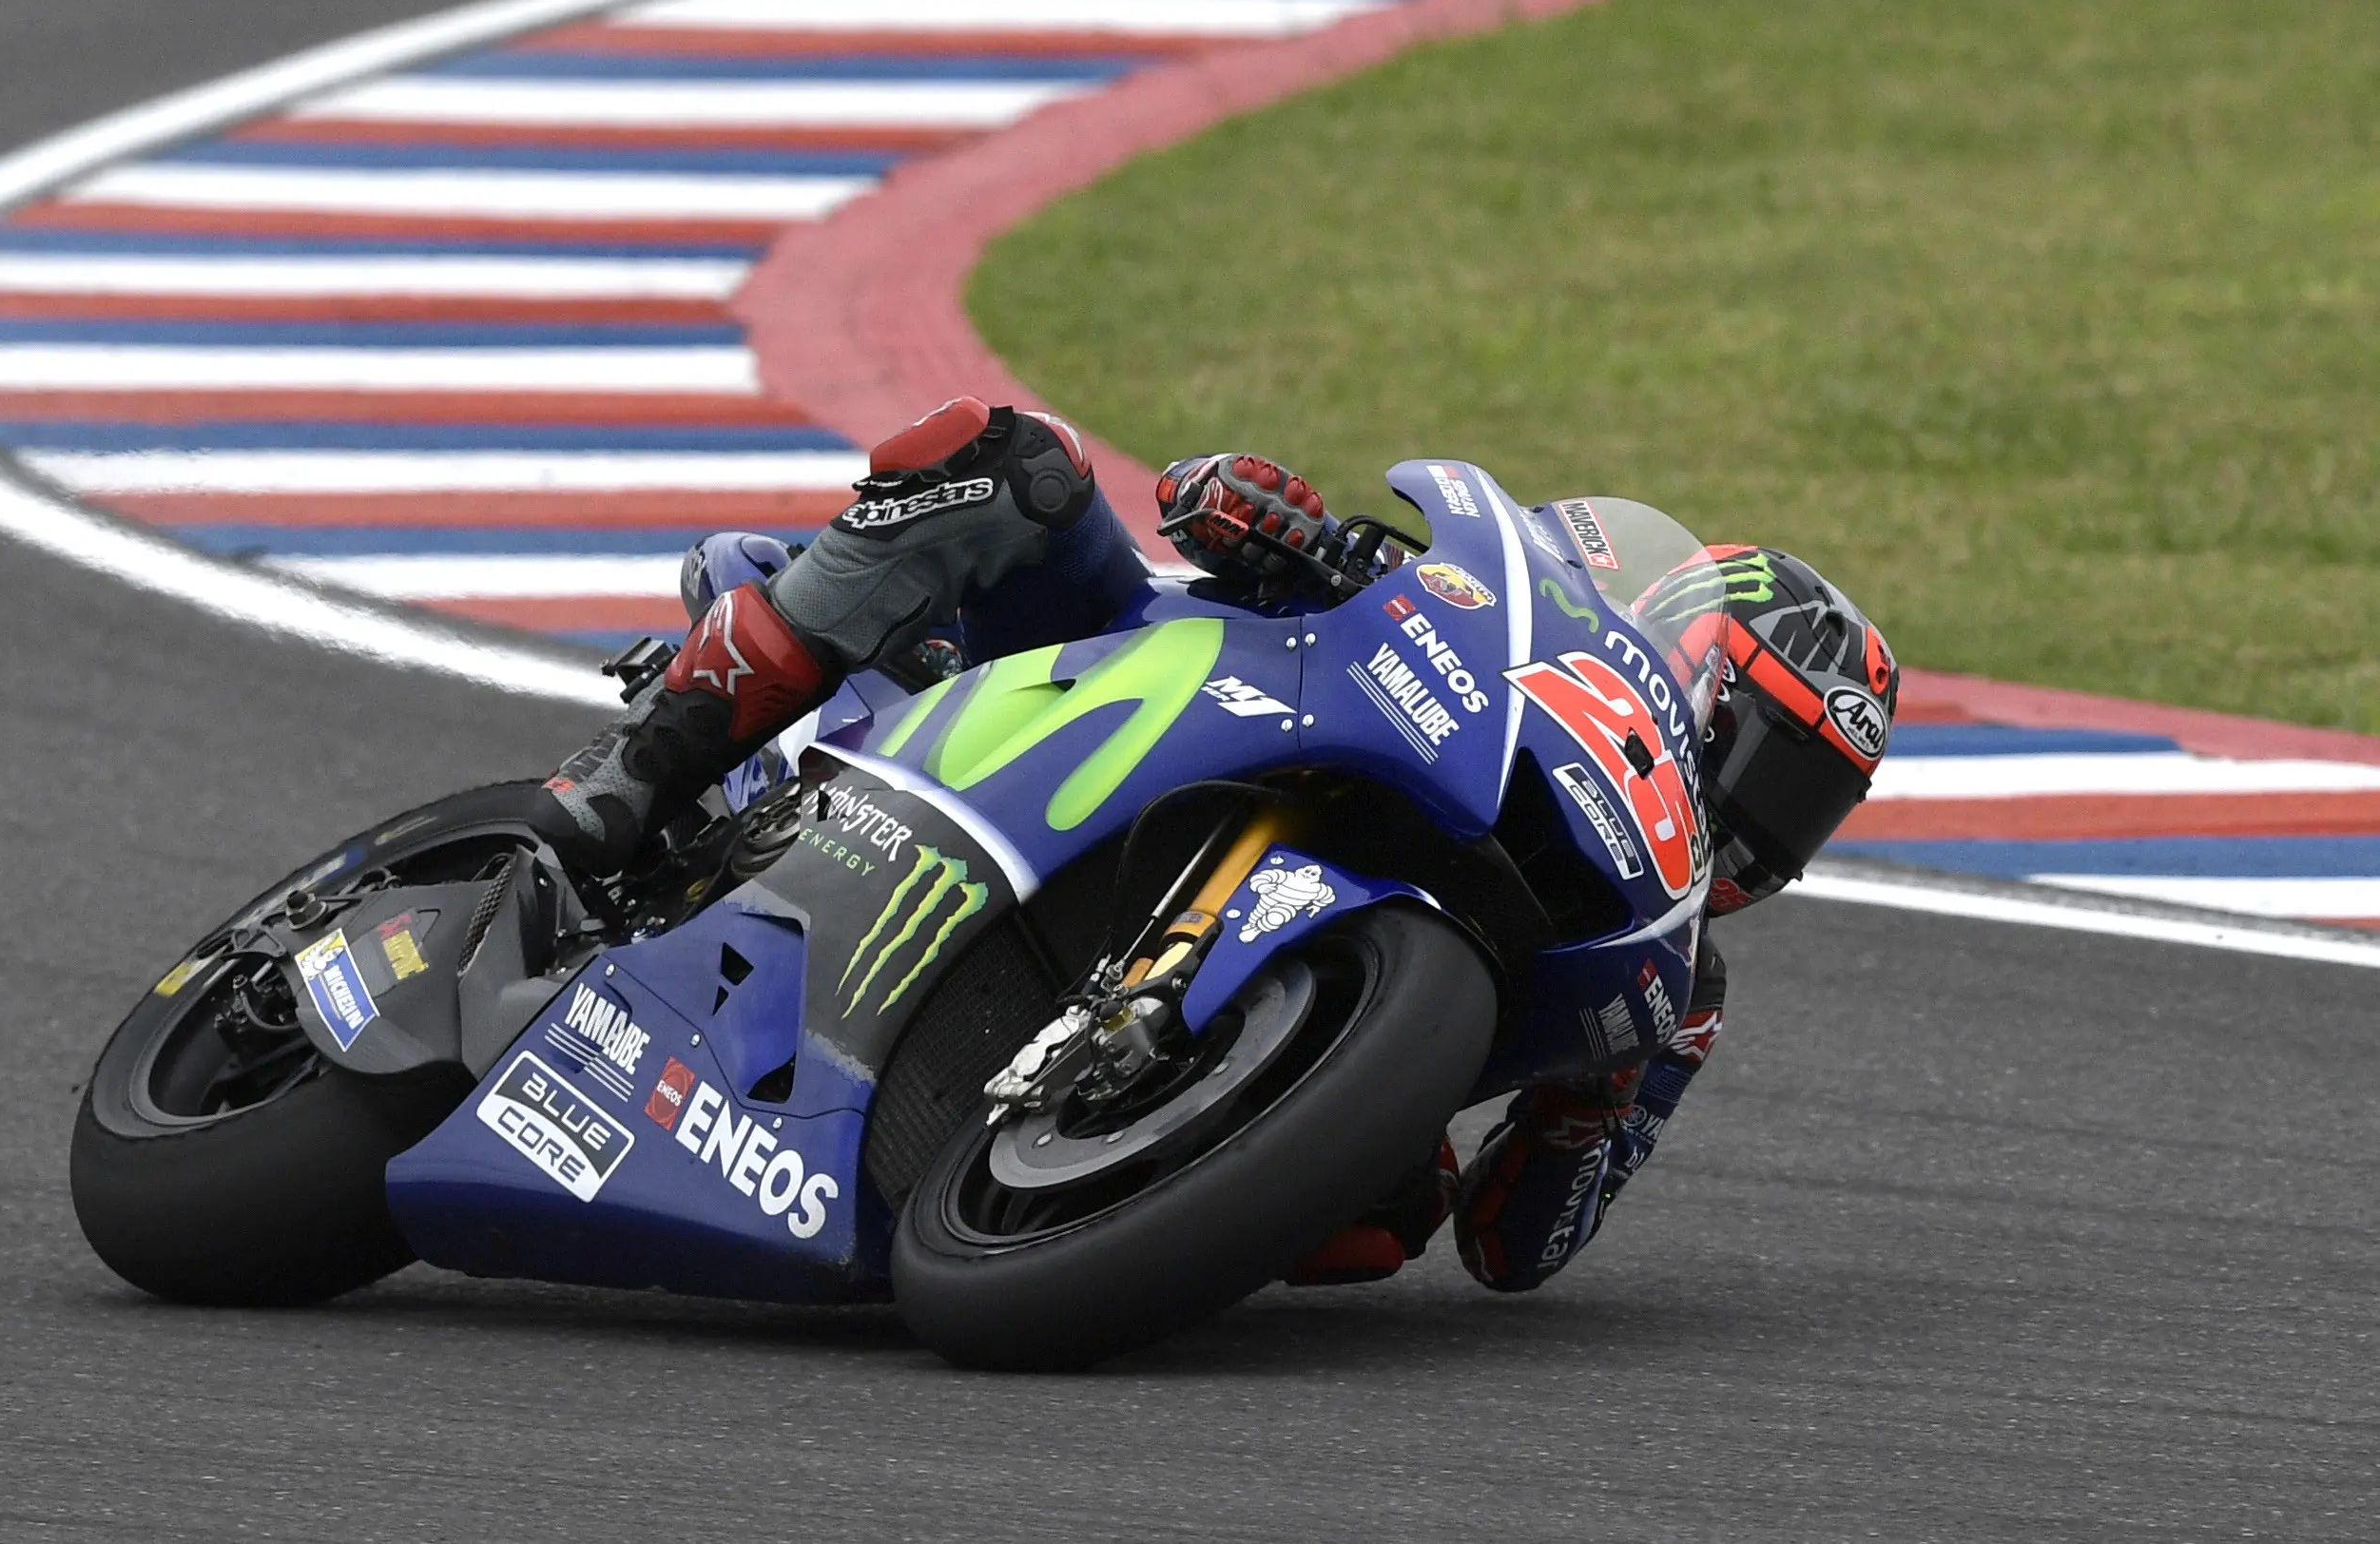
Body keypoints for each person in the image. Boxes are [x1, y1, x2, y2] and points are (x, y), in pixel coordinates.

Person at [500, 396, 1896, 1295]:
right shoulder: (1474, 618)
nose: (1762, 827)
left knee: (1367, 1226)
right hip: (1096, 687)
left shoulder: (1666, 992)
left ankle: (1067, 1149)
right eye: (1764, 766)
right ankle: (630, 779)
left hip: (1247, 1021)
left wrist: (1604, 1100)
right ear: (1692, 661)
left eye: (1803, 813)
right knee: (1011, 463)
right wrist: (1268, 514)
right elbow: (1196, 500)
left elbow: (1511, 1248)